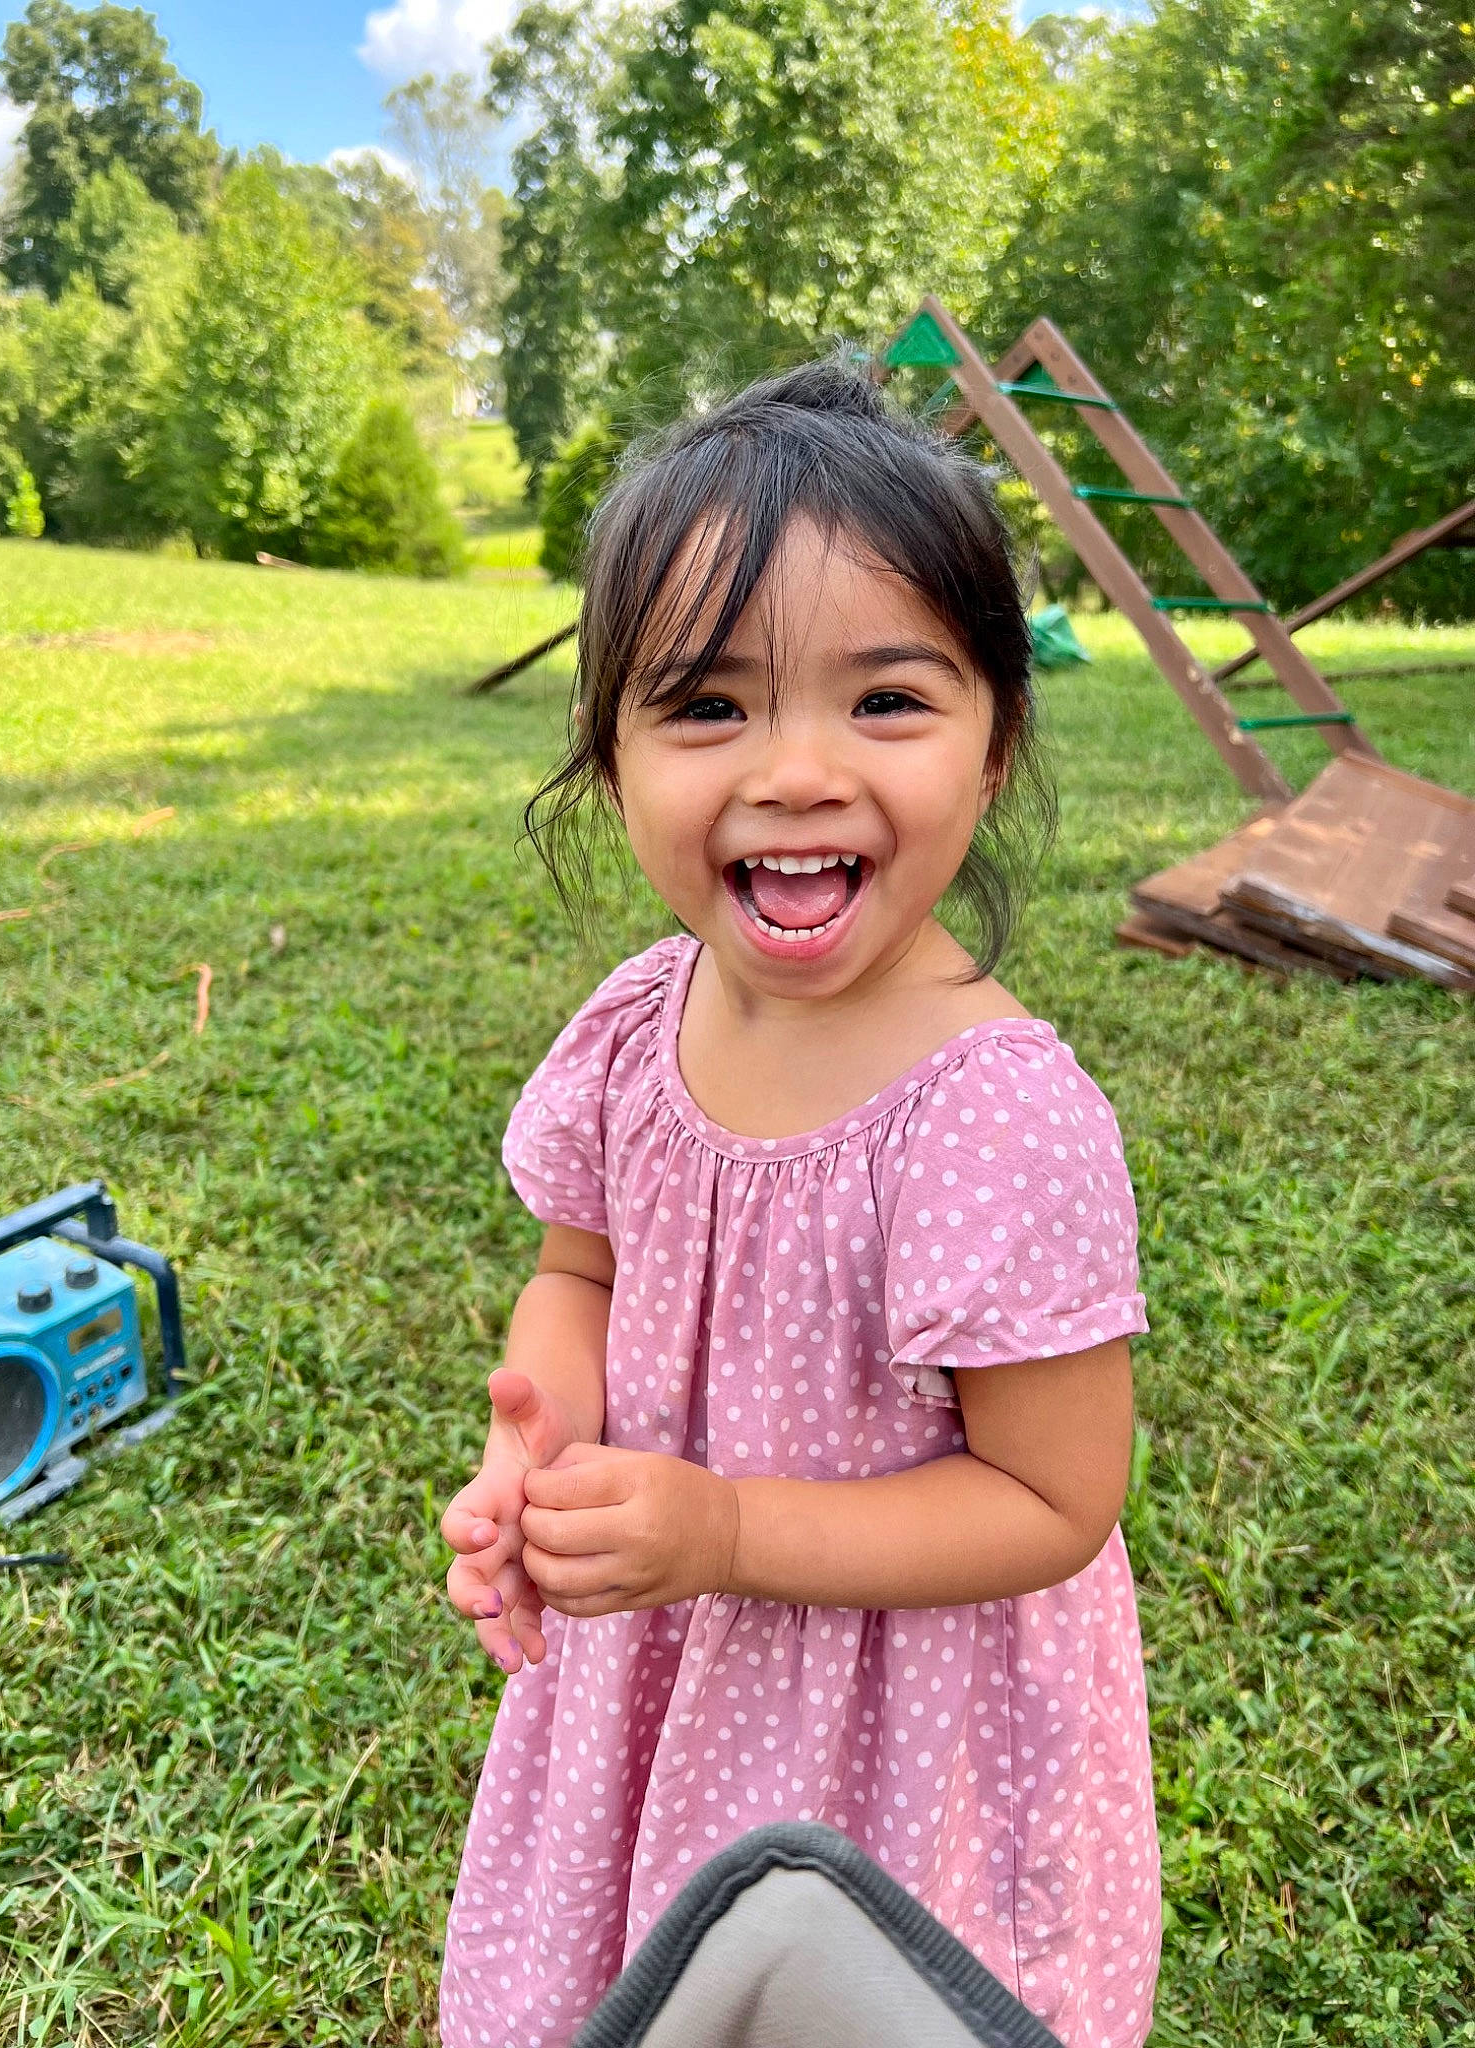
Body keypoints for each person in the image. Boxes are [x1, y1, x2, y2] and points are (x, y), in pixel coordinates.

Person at [436, 360, 1160, 2048]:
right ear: (609, 763)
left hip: (906, 1737)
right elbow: (578, 1272)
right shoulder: (634, 1029)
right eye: (707, 707)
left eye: (887, 701)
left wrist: (730, 1533)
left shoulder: (996, 1117)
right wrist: (537, 1455)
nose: (798, 773)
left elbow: (1054, 1501)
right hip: (661, 1669)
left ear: (994, 750)